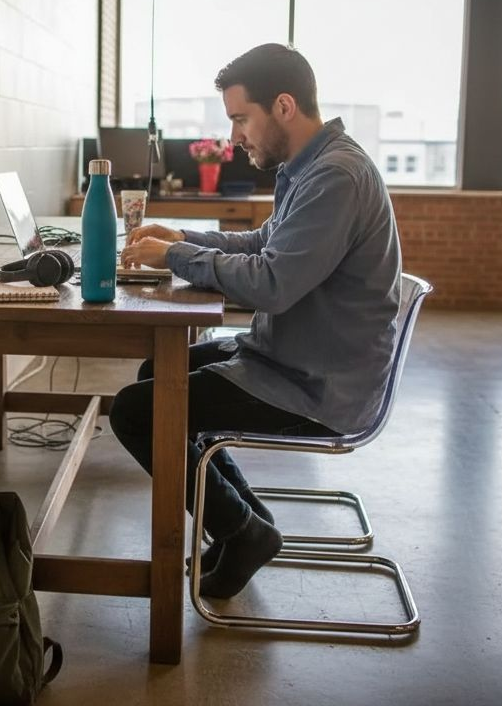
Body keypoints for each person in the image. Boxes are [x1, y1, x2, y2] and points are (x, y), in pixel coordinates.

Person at [110, 43, 402, 599]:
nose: (234, 137)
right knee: (158, 373)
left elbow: (271, 282)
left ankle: (242, 531)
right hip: (293, 356)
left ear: (284, 107)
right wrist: (182, 238)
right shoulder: (310, 166)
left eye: (241, 119)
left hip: (318, 384)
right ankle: (247, 524)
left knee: (136, 411)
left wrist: (175, 257)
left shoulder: (335, 177)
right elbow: (265, 243)